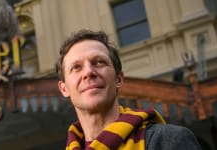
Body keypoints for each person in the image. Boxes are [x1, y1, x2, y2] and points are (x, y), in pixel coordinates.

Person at [56, 29, 201, 150]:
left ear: (118, 79)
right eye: (76, 67)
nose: (88, 72)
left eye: (99, 62)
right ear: (64, 89)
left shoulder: (168, 141)